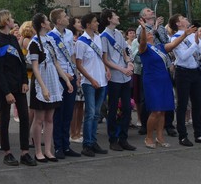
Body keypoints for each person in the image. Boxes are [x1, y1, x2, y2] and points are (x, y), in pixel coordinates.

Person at [137, 16, 192, 148]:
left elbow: (173, 44)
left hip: (164, 80)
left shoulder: (160, 47)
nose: (150, 34)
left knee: (163, 111)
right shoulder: (144, 49)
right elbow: (143, 41)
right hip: (152, 82)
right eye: (148, 33)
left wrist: (184, 35)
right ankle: (148, 137)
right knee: (155, 111)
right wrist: (143, 29)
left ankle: (160, 137)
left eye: (149, 32)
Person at [28, 13, 73, 162]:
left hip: (52, 81)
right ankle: (38, 151)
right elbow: (35, 68)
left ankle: (48, 150)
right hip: (41, 82)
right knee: (39, 118)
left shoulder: (50, 40)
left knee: (49, 118)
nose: (49, 22)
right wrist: (43, 88)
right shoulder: (34, 43)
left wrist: (66, 80)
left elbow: (56, 63)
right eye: (46, 20)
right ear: (42, 24)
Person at [0, 10, 35, 168]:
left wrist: (24, 81)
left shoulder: (12, 39)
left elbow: (22, 62)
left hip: (19, 85)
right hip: (6, 88)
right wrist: (7, 92)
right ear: (5, 21)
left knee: (24, 117)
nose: (13, 20)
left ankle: (25, 152)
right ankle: (7, 152)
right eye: (10, 18)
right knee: (4, 120)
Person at [168, 14, 201, 147]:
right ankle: (183, 136)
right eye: (183, 18)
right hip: (183, 72)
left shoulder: (193, 35)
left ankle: (199, 134)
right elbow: (183, 56)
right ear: (178, 23)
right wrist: (195, 44)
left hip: (195, 71)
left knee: (197, 103)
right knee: (182, 104)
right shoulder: (175, 38)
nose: (186, 19)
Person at [100, 9, 136, 152]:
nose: (118, 17)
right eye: (115, 15)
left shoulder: (119, 34)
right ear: (109, 19)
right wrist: (122, 69)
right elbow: (105, 60)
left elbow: (124, 52)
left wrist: (129, 63)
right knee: (113, 109)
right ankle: (113, 139)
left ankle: (123, 138)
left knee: (127, 108)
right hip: (114, 77)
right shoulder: (104, 36)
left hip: (125, 76)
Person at [74, 13, 108, 157]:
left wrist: (106, 69)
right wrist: (90, 79)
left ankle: (93, 142)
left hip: (102, 80)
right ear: (88, 24)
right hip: (89, 82)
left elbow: (102, 58)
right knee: (90, 113)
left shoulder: (99, 38)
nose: (97, 23)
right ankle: (87, 144)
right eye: (95, 21)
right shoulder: (81, 42)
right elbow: (79, 64)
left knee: (96, 114)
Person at [47, 9, 79, 159]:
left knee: (68, 112)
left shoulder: (69, 34)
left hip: (71, 75)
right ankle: (58, 146)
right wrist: (64, 75)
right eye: (65, 16)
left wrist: (76, 74)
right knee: (58, 114)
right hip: (59, 78)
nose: (68, 18)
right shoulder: (50, 37)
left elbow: (71, 55)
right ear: (58, 21)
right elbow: (54, 60)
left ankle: (66, 145)